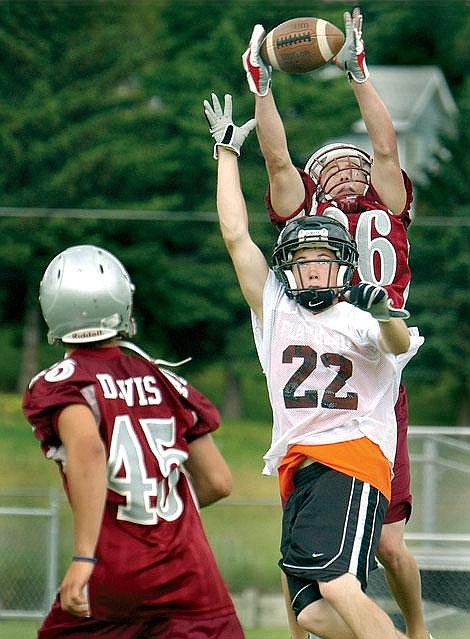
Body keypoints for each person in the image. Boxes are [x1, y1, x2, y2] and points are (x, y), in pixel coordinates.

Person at [203, 91, 423, 639]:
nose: (314, 272)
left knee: (337, 583)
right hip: (297, 463)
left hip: (348, 460)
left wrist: (386, 312)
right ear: (289, 269)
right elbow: (235, 236)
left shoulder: (359, 317)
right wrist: (227, 155)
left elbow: (396, 344)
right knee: (311, 612)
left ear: (343, 268)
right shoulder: (275, 309)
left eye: (325, 261)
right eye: (302, 261)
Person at [22, 244, 245, 639]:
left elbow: (88, 449)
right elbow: (218, 482)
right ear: (123, 303)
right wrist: (157, 511)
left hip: (114, 578)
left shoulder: (66, 383)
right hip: (191, 580)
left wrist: (84, 555)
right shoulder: (166, 380)